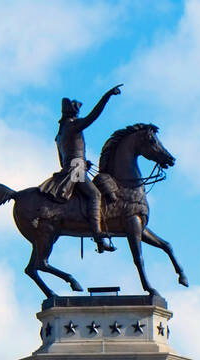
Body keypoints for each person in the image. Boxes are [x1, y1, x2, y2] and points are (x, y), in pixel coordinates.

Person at [41, 85, 122, 251]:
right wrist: (107, 96)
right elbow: (94, 116)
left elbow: (66, 157)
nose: (79, 115)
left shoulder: (61, 132)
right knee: (95, 194)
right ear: (73, 113)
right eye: (77, 112)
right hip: (76, 170)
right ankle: (98, 234)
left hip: (75, 167)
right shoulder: (72, 126)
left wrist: (83, 163)